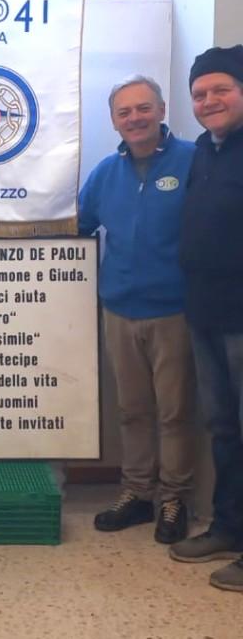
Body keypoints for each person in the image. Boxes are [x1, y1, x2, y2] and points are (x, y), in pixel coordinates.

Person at [78, 76, 196, 544]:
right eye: (124, 112)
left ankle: (174, 499)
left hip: (175, 310)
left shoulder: (193, 161)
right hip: (119, 309)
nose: (135, 118)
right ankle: (137, 493)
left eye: (143, 108)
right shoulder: (106, 173)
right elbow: (81, 226)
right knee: (132, 410)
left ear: (162, 110)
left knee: (174, 412)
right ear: (113, 121)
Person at [170, 45, 243, 592]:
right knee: (223, 428)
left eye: (222, 89)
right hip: (206, 313)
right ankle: (228, 527)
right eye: (200, 94)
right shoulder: (204, 150)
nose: (209, 101)